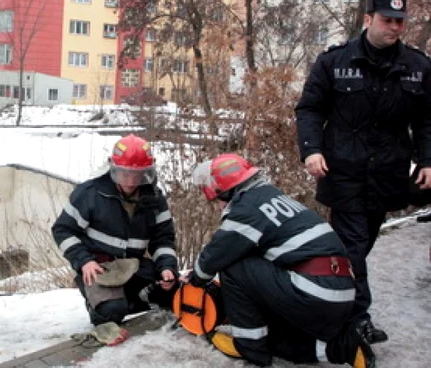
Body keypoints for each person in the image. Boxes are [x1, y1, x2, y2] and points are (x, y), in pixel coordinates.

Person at [295, 0, 431, 344]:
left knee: (359, 245)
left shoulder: (417, 66)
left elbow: (426, 120)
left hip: (388, 174)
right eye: (388, 20)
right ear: (368, 19)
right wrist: (311, 150)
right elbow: (310, 109)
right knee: (353, 245)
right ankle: (357, 319)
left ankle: (325, 296)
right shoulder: (335, 61)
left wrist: (428, 160)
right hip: (344, 172)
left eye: (400, 21)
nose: (395, 27)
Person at [182, 153, 374, 368]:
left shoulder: (245, 210)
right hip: (339, 295)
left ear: (223, 193)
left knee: (233, 266)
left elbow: (215, 256)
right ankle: (343, 347)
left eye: (215, 201)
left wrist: (195, 279)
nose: (217, 206)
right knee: (273, 335)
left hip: (315, 293)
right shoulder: (270, 195)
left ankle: (249, 347)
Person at [51, 134, 179, 328]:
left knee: (174, 293)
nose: (130, 181)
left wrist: (167, 268)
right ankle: (101, 304)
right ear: (113, 168)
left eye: (136, 175)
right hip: (99, 266)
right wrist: (85, 261)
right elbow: (63, 230)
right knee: (112, 312)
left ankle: (130, 298)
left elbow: (163, 239)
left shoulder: (155, 198)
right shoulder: (90, 193)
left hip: (133, 265)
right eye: (124, 174)